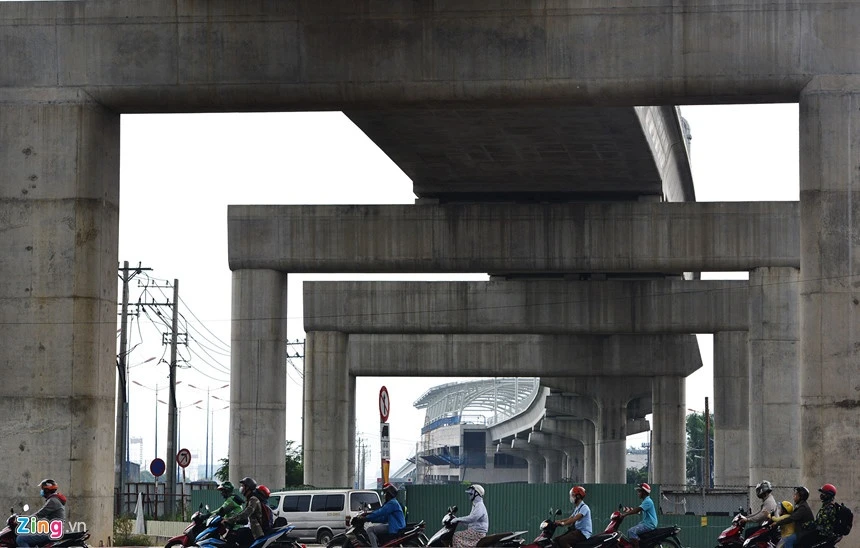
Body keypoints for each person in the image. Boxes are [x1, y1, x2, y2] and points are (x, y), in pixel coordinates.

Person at [17, 479, 67, 548]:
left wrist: (23, 519)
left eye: (42, 489)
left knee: (21, 539)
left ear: (47, 490)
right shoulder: (55, 500)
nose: (41, 491)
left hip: (52, 532)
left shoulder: (53, 501)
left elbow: (39, 514)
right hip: (53, 530)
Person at [789, 484, 839, 548]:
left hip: (824, 533)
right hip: (822, 531)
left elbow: (819, 522)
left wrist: (806, 525)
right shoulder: (826, 506)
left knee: (802, 541)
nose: (821, 495)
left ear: (828, 495)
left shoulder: (829, 508)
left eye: (823, 493)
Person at [224, 477, 266, 548]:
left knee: (234, 536)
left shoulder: (253, 499)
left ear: (248, 488)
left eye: (243, 486)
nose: (241, 488)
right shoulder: (250, 499)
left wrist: (230, 520)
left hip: (256, 531)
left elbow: (245, 514)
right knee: (235, 534)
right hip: (251, 528)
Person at [363, 483, 406, 548]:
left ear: (389, 494)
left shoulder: (392, 503)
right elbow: (384, 518)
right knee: (375, 528)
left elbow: (380, 512)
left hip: (395, 527)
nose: (384, 495)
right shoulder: (392, 503)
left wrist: (366, 517)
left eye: (385, 493)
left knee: (370, 529)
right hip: (395, 525)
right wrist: (371, 519)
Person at [621, 483, 657, 548]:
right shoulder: (646, 501)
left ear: (644, 492)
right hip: (646, 523)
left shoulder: (648, 501)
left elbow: (637, 510)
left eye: (639, 491)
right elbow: (637, 510)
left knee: (631, 531)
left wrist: (624, 515)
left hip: (649, 524)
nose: (638, 493)